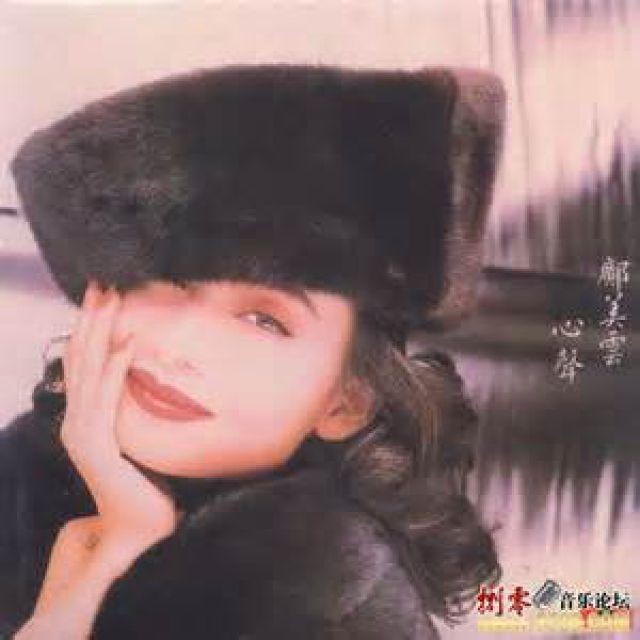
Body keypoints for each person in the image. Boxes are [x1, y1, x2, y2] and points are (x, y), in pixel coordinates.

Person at [1, 63, 506, 639]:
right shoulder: (23, 487)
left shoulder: (333, 609)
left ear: (347, 401)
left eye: (265, 321)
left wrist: (105, 570)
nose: (179, 345)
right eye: (167, 278)